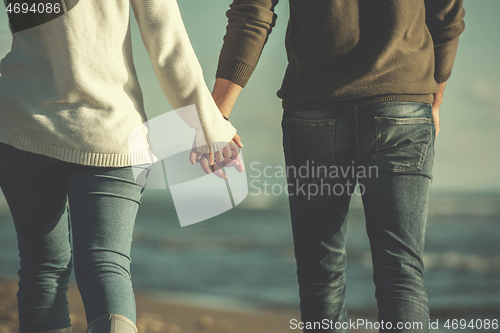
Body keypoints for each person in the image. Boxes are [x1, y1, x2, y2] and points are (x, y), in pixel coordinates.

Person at [211, 0, 465, 332]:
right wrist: (437, 94)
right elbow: (446, 13)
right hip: (402, 102)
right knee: (401, 271)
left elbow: (252, 10)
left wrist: (216, 114)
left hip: (315, 109)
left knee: (321, 273)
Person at [0, 0, 241, 332]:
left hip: (22, 123)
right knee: (105, 266)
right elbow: (166, 41)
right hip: (111, 133)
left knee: (43, 269)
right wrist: (208, 126)